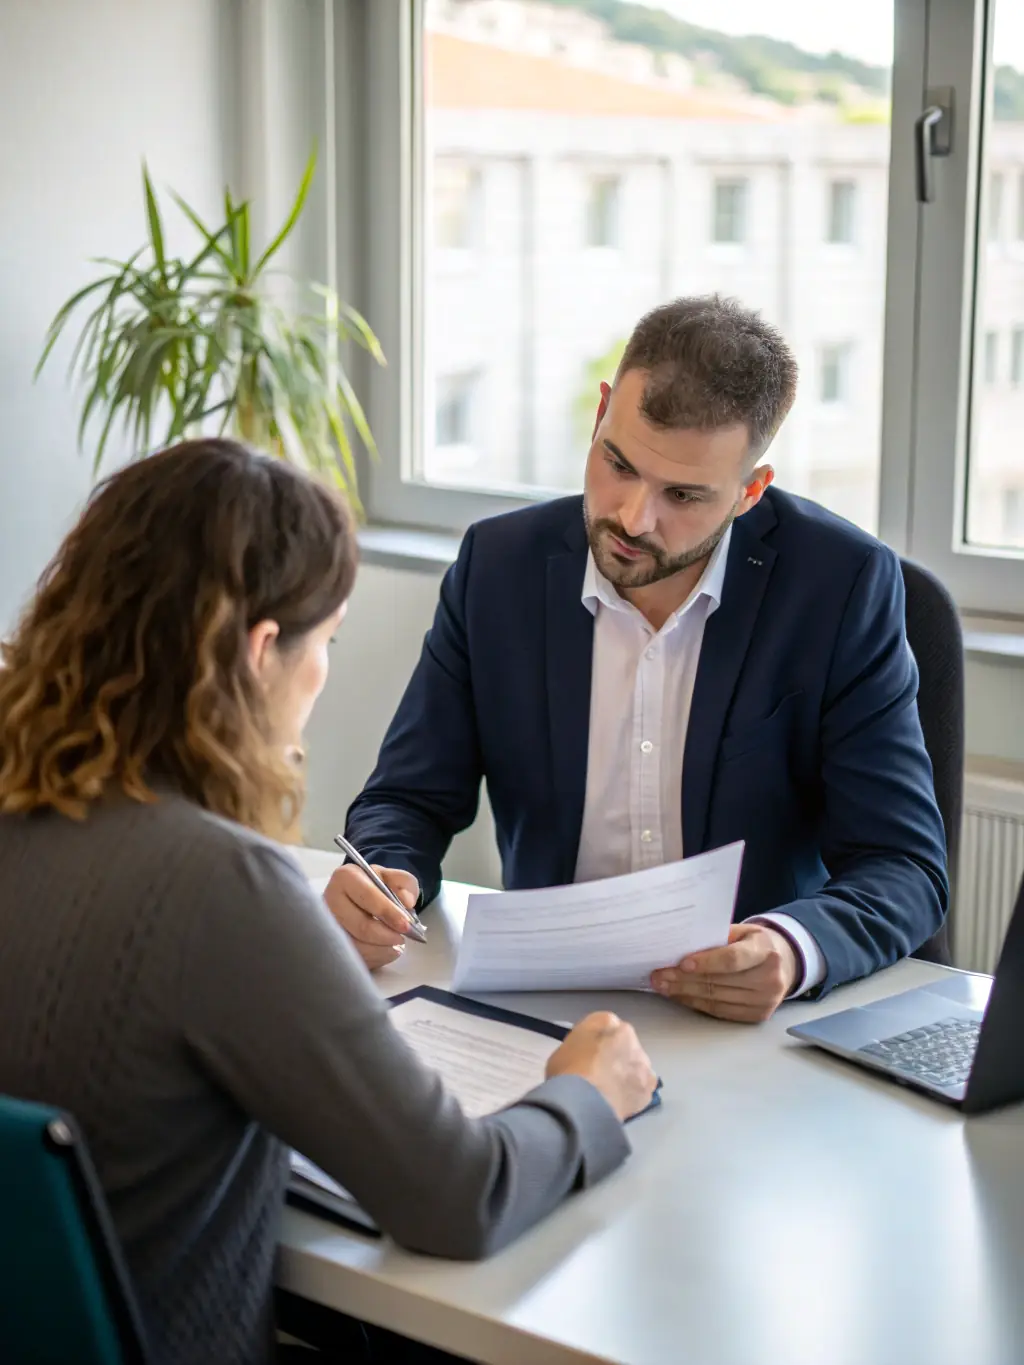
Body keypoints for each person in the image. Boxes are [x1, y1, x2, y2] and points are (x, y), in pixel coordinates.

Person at [0, 439, 657, 1365]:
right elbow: (457, 1196)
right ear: (263, 651)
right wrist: (588, 1093)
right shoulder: (218, 886)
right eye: (327, 643)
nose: (321, 674)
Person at [336, 295, 948, 1022]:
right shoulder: (497, 567)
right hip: (547, 1008)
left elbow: (903, 865)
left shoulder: (841, 587)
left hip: (743, 1021)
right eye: (618, 463)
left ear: (750, 492)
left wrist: (790, 947)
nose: (632, 518)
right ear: (601, 415)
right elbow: (406, 798)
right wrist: (381, 873)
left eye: (684, 494)